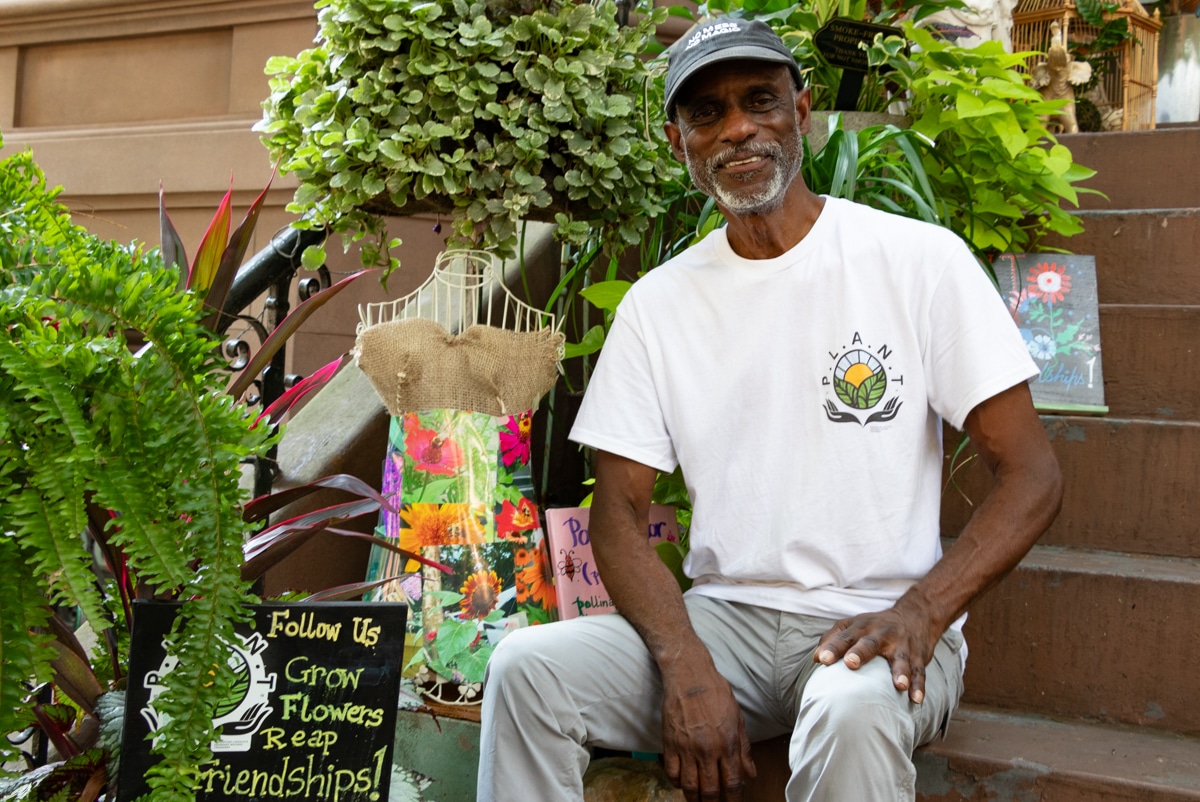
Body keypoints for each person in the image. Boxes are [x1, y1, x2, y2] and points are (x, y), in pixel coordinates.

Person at [478, 17, 1062, 802]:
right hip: (726, 623)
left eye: (760, 101)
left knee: (851, 716)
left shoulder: (916, 261)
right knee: (526, 671)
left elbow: (1031, 475)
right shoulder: (659, 307)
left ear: (803, 112)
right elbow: (616, 513)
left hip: (877, 618)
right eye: (707, 114)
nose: (739, 129)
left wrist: (923, 612)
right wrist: (686, 664)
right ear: (679, 141)